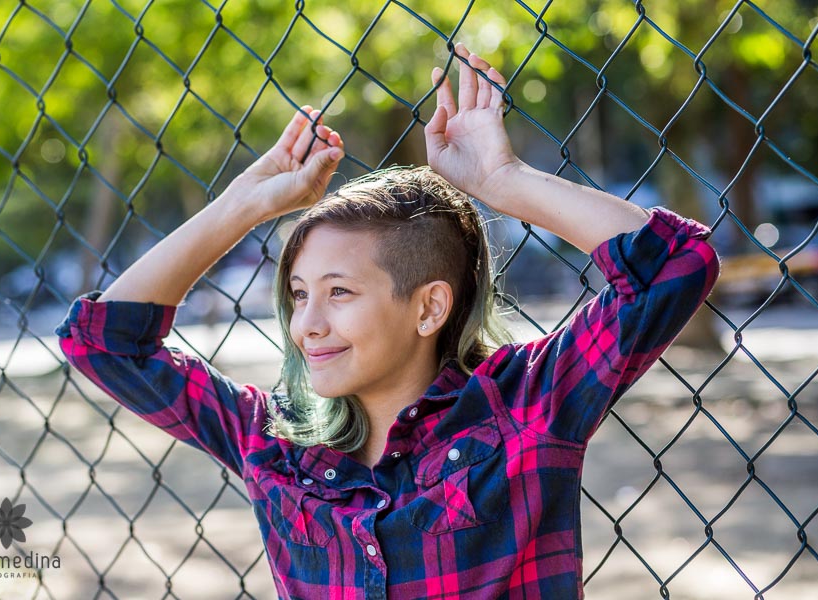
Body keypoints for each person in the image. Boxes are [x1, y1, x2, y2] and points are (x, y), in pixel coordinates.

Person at [55, 43, 720, 599]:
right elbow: (102, 343)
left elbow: (676, 266)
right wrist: (240, 207)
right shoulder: (275, 441)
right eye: (297, 292)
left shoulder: (528, 405)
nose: (305, 325)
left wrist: (505, 179)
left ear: (430, 306)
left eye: (339, 292)